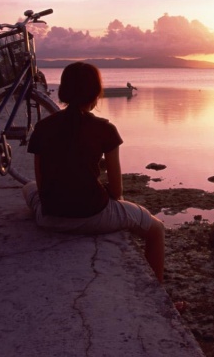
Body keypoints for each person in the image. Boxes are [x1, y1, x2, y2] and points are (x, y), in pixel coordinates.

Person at [22, 62, 166, 282]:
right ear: (96, 93)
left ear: (63, 91)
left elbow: (41, 185)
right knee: (157, 229)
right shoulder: (105, 129)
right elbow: (117, 191)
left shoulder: (43, 127)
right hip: (93, 216)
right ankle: (160, 288)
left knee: (27, 187)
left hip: (49, 217)